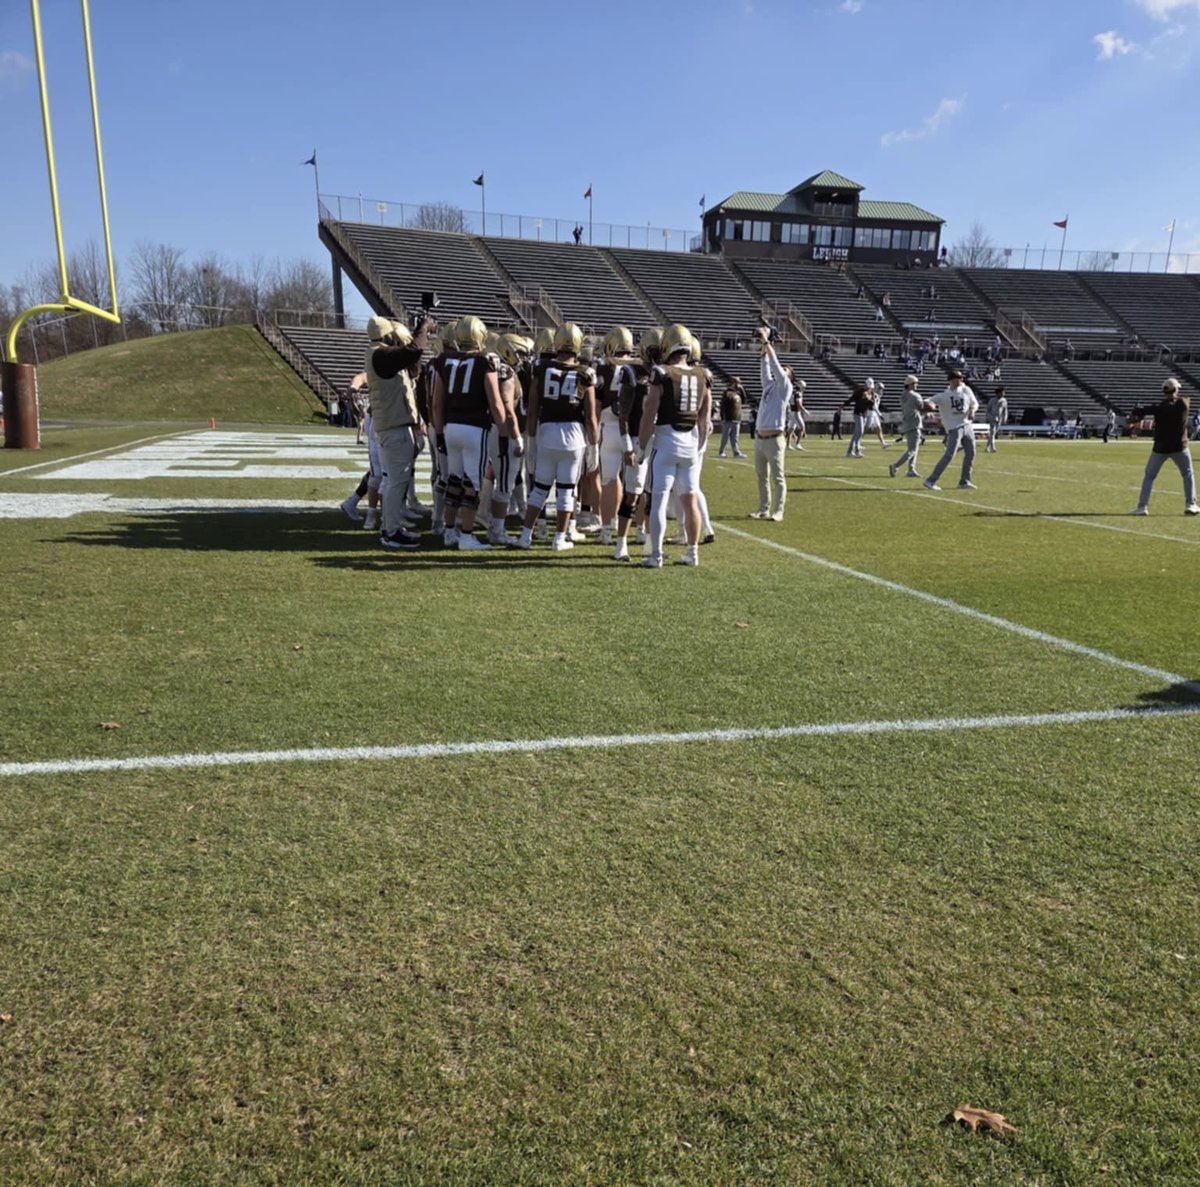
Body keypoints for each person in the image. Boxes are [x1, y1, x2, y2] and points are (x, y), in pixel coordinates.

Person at [513, 322, 598, 551]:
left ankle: (525, 536)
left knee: (539, 488)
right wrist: (594, 445)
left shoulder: (541, 367)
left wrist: (531, 438)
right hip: (573, 436)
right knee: (566, 490)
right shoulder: (586, 373)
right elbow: (590, 416)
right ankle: (559, 538)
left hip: (546, 431)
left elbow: (532, 408)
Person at [432, 315, 514, 551]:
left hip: (451, 427)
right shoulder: (486, 360)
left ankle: (449, 532)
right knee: (472, 484)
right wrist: (503, 432)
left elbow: (436, 402)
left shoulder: (443, 360)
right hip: (474, 428)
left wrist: (439, 433)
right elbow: (496, 402)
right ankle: (467, 536)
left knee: (453, 480)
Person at [638, 323, 711, 567]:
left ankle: (656, 555)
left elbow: (650, 411)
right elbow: (705, 418)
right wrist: (700, 444)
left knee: (658, 499)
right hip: (690, 443)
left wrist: (641, 445)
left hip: (667, 441)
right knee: (689, 500)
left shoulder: (662, 372)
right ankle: (692, 553)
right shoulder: (703, 374)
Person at [365, 314, 432, 551]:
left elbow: (412, 366)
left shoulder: (379, 355)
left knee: (396, 481)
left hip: (392, 426)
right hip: (393, 429)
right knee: (395, 482)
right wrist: (423, 328)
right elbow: (413, 352)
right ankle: (390, 531)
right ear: (387, 335)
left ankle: (392, 527)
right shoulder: (381, 355)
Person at [1131, 378, 1200, 516]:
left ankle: (1142, 506)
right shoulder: (1183, 404)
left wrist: (1137, 412)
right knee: (1187, 474)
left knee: (1149, 476)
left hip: (1160, 448)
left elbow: (1143, 411)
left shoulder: (1160, 408)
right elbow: (1179, 400)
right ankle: (1191, 504)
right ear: (1175, 390)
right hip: (1180, 447)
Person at [749, 327, 793, 522]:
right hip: (760, 438)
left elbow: (774, 365)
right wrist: (764, 345)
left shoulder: (785, 387)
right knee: (761, 477)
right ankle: (763, 508)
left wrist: (767, 340)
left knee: (778, 477)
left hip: (775, 439)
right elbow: (765, 366)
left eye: (786, 370)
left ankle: (779, 510)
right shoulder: (769, 387)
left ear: (789, 376)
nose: (782, 370)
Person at [923, 370, 980, 492]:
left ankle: (964, 481)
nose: (960, 380)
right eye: (958, 378)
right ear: (951, 380)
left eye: (961, 378)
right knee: (949, 455)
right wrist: (929, 410)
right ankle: (931, 480)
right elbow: (927, 401)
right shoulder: (944, 396)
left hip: (967, 426)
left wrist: (972, 411)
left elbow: (974, 403)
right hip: (954, 428)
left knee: (971, 453)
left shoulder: (966, 390)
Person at [888, 375, 931, 479]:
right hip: (914, 423)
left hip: (907, 422)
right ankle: (896, 466)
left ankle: (911, 470)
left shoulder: (903, 395)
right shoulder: (915, 396)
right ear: (910, 384)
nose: (917, 385)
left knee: (913, 448)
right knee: (912, 450)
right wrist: (930, 408)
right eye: (915, 383)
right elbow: (922, 408)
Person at [841, 381, 875, 458]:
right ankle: (857, 450)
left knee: (856, 434)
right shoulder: (859, 392)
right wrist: (842, 406)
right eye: (867, 386)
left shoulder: (871, 393)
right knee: (860, 432)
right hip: (857, 414)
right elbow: (851, 399)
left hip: (864, 415)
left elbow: (871, 406)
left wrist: (868, 399)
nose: (868, 388)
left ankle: (849, 452)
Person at [718, 376, 746, 458]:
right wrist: (723, 417)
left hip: (737, 418)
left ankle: (736, 452)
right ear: (734, 383)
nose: (739, 385)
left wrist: (742, 390)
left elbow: (744, 401)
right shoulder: (727, 393)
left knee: (735, 438)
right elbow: (722, 406)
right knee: (725, 437)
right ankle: (722, 452)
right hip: (728, 418)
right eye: (738, 383)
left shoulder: (738, 393)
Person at [985, 386, 1008, 453]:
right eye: (1002, 392)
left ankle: (987, 448)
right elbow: (988, 409)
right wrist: (989, 417)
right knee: (992, 433)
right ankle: (993, 447)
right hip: (992, 419)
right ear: (998, 393)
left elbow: (1005, 410)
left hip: (999, 420)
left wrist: (1005, 418)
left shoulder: (1004, 400)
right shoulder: (992, 400)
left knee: (993, 433)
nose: (1003, 394)